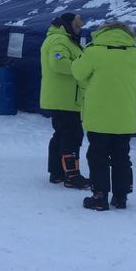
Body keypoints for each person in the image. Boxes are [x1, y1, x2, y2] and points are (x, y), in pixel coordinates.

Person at [71, 21, 136, 211]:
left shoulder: (94, 51)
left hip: (98, 116)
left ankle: (100, 196)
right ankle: (121, 196)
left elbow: (77, 72)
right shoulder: (134, 53)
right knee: (121, 157)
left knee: (98, 156)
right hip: (124, 117)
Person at [39, 12, 90, 189]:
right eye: (77, 26)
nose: (79, 29)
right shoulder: (59, 40)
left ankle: (57, 173)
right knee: (72, 135)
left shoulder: (65, 39)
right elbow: (58, 63)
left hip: (64, 97)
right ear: (67, 24)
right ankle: (72, 176)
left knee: (61, 134)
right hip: (64, 98)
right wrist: (82, 69)